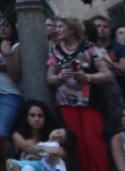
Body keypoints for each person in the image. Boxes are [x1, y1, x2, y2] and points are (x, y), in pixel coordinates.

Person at [46, 16, 115, 171]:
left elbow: (107, 74)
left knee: (92, 140)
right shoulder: (55, 51)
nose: (57, 30)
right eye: (56, 27)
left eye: (61, 26)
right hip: (66, 102)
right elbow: (49, 78)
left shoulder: (88, 48)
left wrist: (87, 77)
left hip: (90, 100)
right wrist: (59, 77)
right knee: (76, 142)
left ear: (72, 28)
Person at [0, 14, 24, 164]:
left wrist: (7, 54)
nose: (2, 28)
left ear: (13, 28)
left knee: (1, 132)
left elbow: (15, 74)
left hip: (9, 94)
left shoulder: (17, 46)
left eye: (6, 25)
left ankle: (12, 165)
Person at [9, 99, 67, 170]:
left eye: (40, 116)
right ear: (26, 118)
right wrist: (47, 149)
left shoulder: (52, 134)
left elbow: (61, 152)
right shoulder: (17, 134)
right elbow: (27, 148)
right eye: (32, 115)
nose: (36, 119)